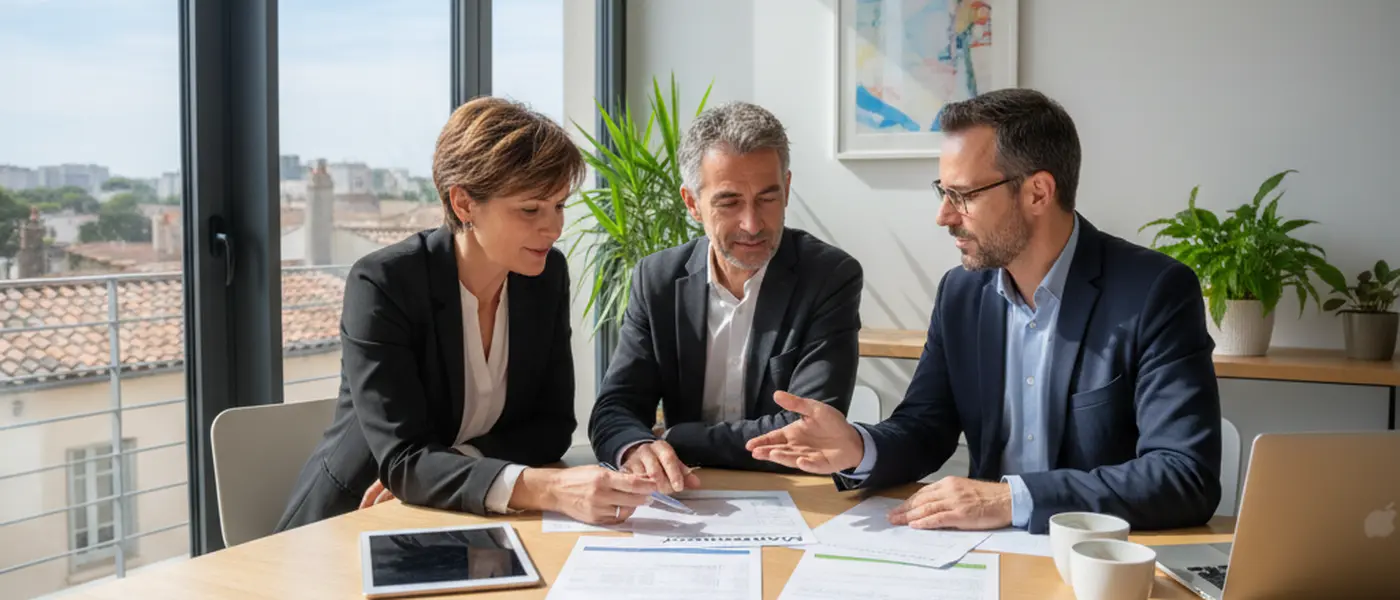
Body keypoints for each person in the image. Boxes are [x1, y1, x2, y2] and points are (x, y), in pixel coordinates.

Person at [745, 88, 1223, 534]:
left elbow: (1184, 475)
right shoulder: (962, 293)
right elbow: (926, 428)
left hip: (1093, 561)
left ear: (1038, 192)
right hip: (985, 558)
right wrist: (858, 447)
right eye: (943, 192)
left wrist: (1011, 500)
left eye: (964, 195)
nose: (944, 215)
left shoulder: (1153, 292)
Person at [276, 97, 657, 532]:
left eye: (559, 206)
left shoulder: (544, 274)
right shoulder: (384, 284)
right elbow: (403, 462)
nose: (553, 229)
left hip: (467, 520)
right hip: (356, 519)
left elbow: (552, 426)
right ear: (464, 204)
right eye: (530, 209)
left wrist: (457, 464)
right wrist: (549, 488)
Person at [588, 101, 863, 491]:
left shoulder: (829, 277)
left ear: (786, 188)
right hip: (687, 496)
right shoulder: (658, 279)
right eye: (729, 202)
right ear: (691, 203)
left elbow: (808, 429)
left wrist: (673, 438)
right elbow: (615, 407)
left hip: (790, 496)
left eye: (768, 198)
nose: (752, 224)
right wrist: (636, 448)